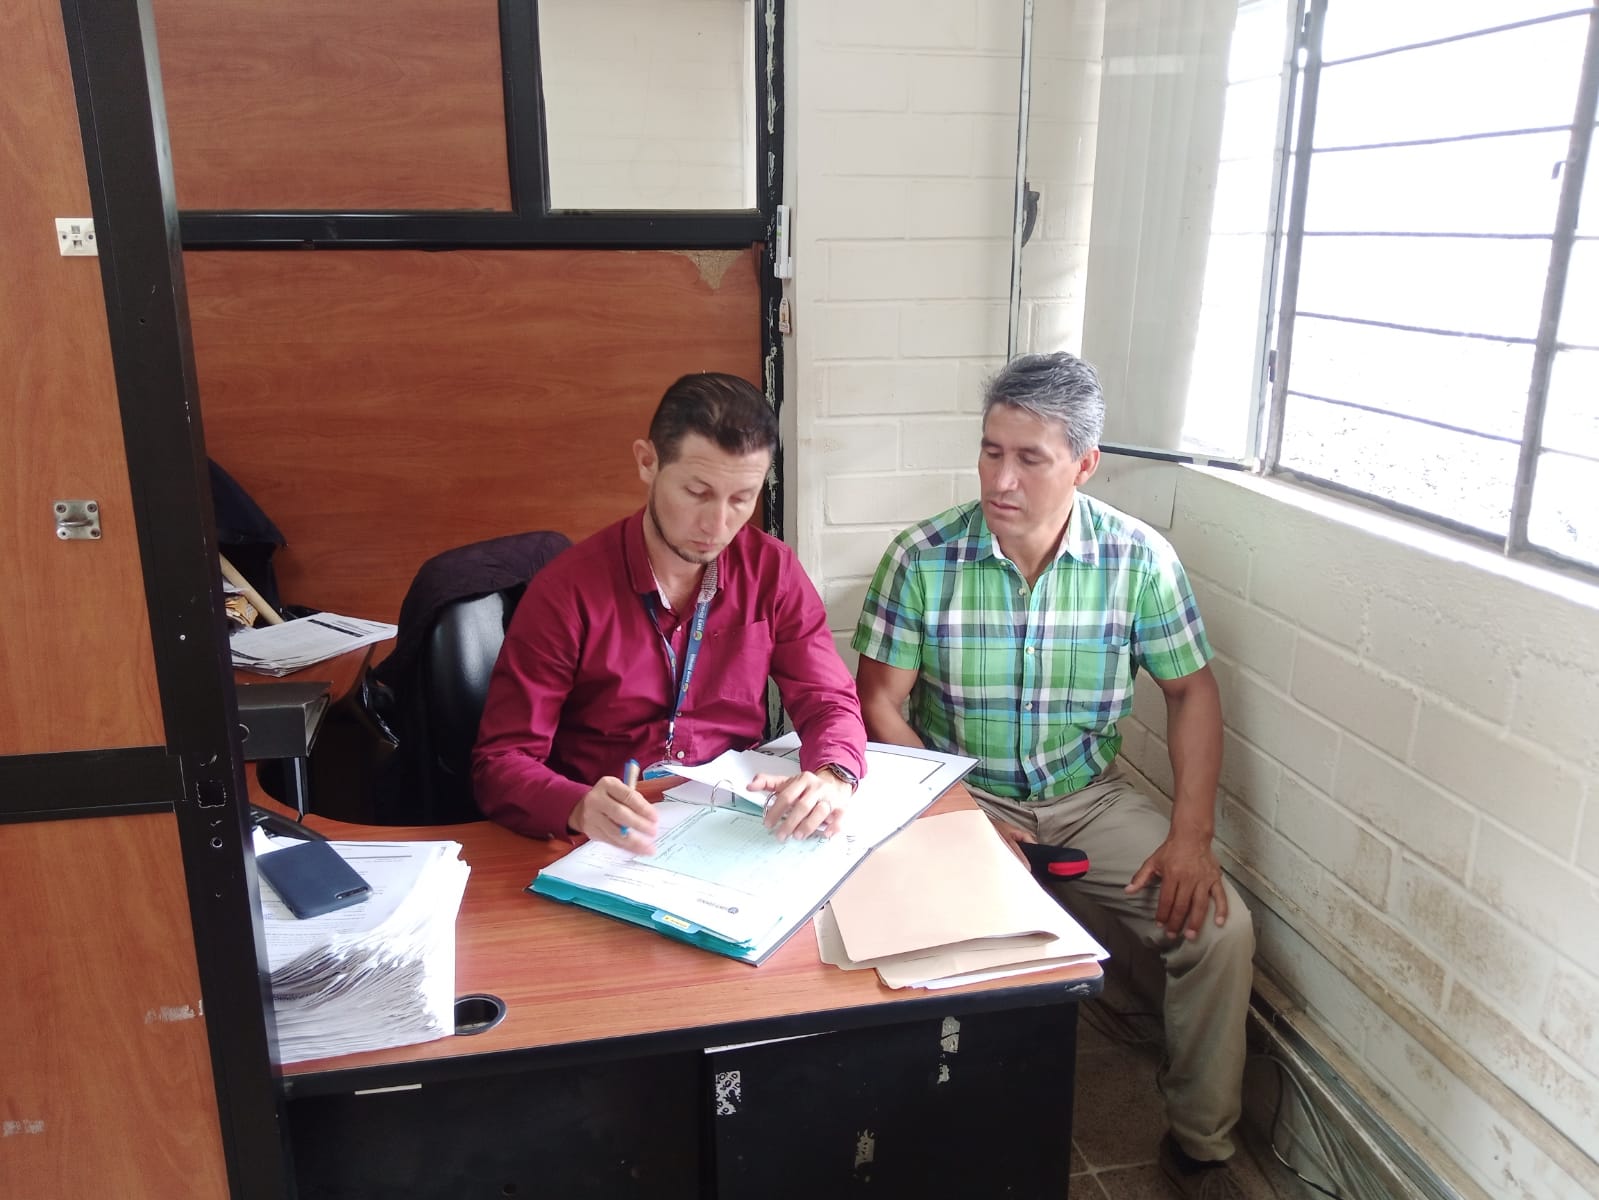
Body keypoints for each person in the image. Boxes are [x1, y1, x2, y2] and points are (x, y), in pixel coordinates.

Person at [852, 352, 1254, 1199]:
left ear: (1083, 463)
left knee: (1218, 934)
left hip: (1087, 798)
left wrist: (1191, 835)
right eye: (990, 451)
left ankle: (1201, 1145)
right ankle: (921, 1131)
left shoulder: (1137, 560)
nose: (1001, 479)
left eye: (1028, 459)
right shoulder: (922, 556)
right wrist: (955, 816)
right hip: (957, 790)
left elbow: (1191, 691)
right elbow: (879, 704)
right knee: (900, 934)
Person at [473, 372, 866, 853]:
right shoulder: (566, 591)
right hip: (606, 839)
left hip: (732, 822)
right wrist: (576, 805)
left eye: (742, 499)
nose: (717, 525)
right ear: (648, 462)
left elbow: (829, 700)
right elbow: (500, 762)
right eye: (697, 493)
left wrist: (833, 775)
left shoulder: (771, 571)